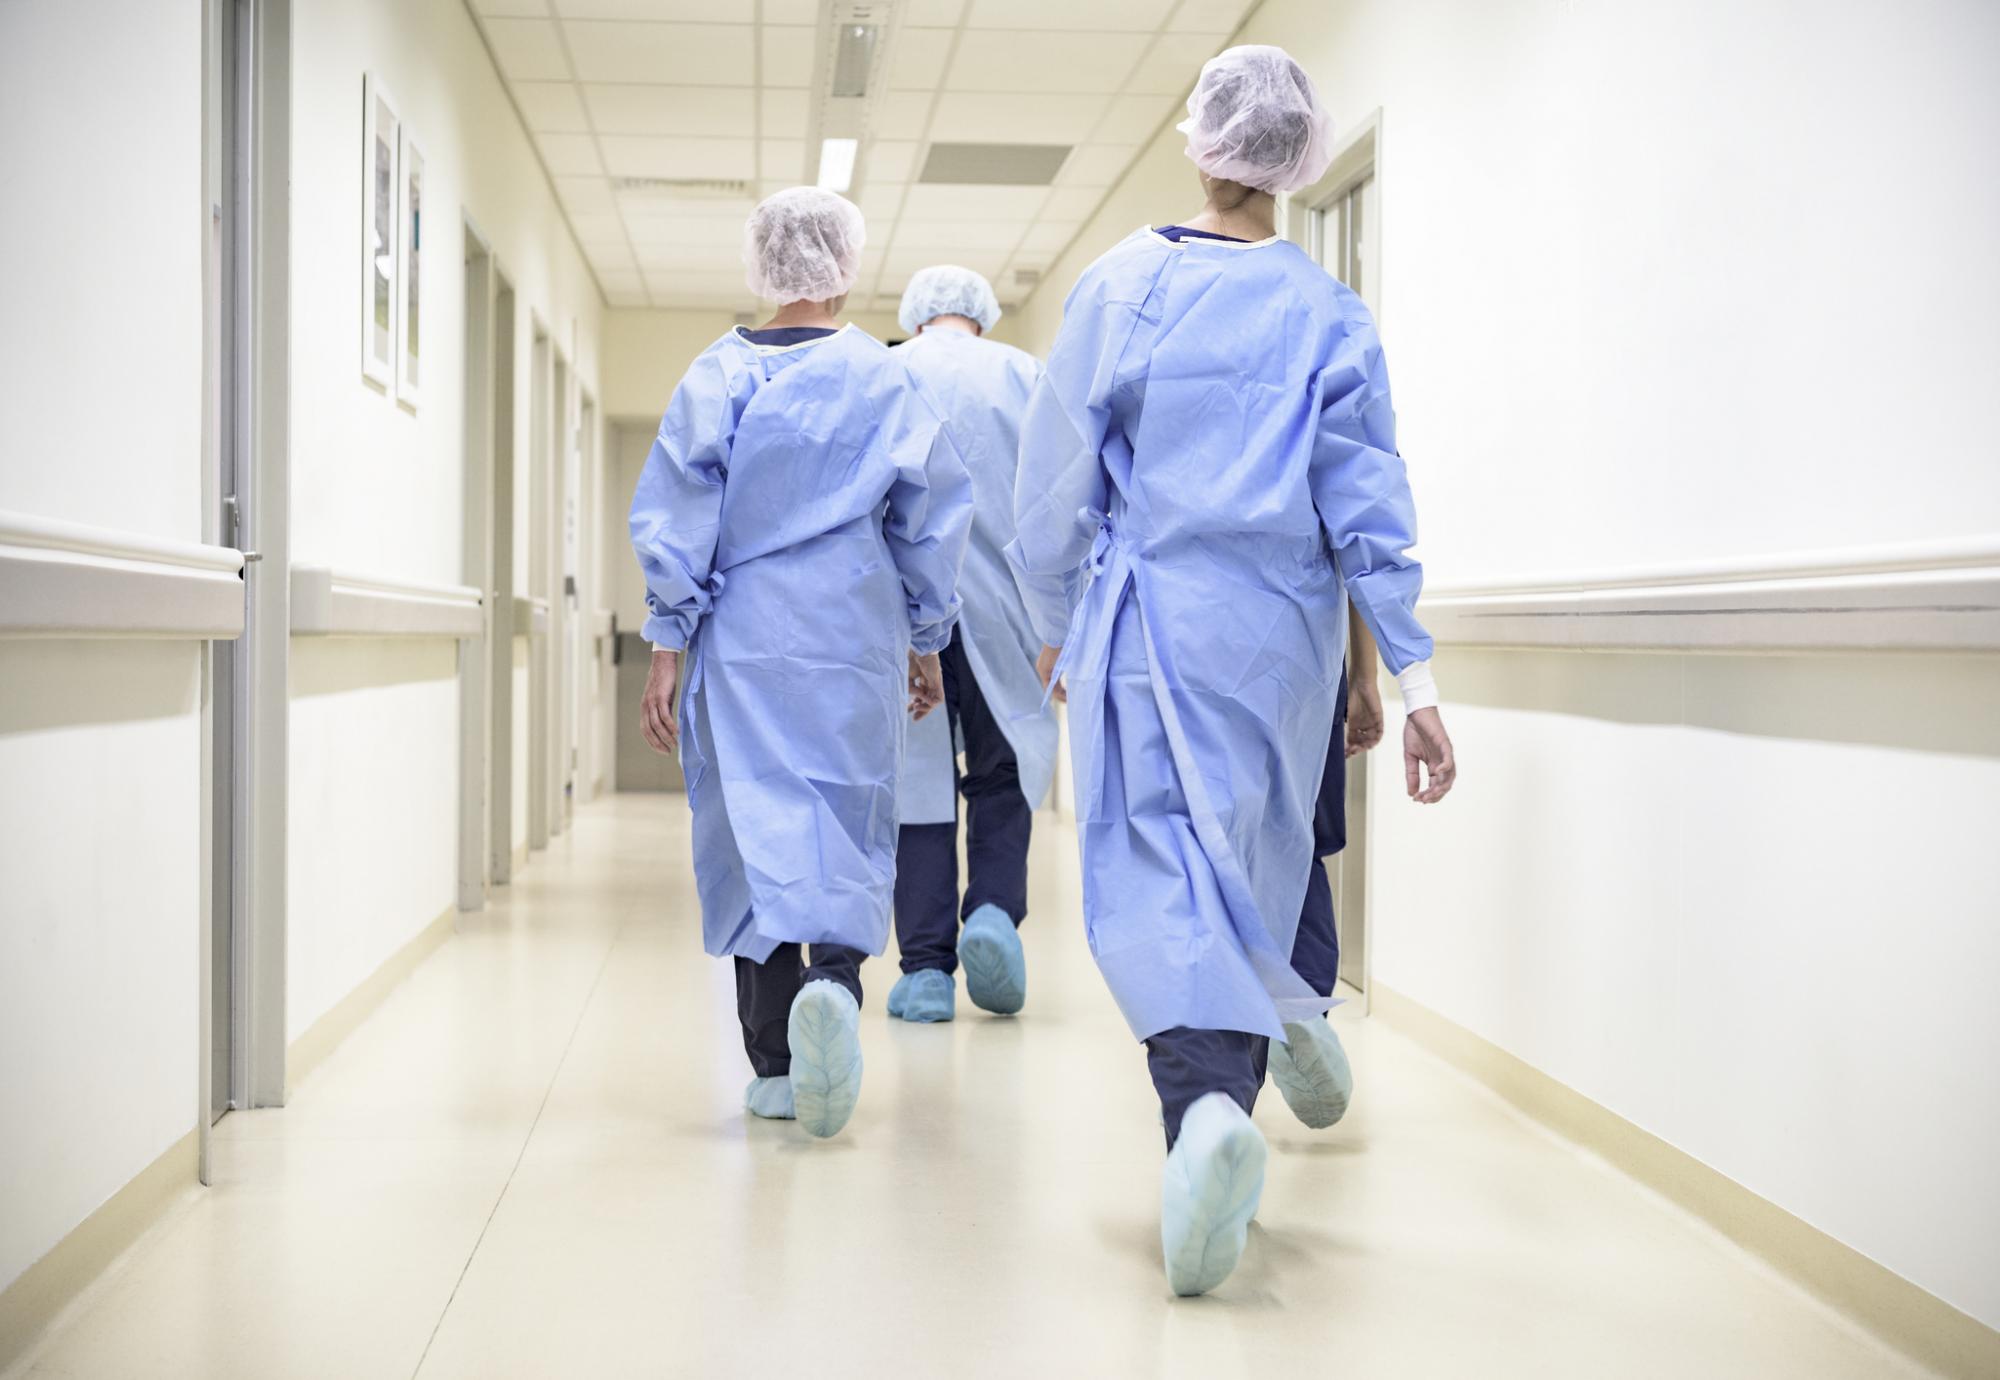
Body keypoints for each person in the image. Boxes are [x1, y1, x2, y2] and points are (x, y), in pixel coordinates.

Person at [1009, 46, 1458, 1295]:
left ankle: (1202, 1116)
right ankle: (1253, 1072)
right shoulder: (1327, 315)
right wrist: (1409, 686)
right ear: (1299, 163)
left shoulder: (1118, 290)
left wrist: (1049, 618)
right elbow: (1365, 512)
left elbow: (1050, 483)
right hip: (1284, 655)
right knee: (1256, 878)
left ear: (1198, 144)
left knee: (1158, 878)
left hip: (1149, 635)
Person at [629, 187, 972, 1139]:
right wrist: (928, 639)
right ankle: (835, 978)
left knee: (753, 830)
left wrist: (666, 653)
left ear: (762, 265)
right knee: (846, 810)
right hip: (851, 631)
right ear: (846, 267)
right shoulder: (884, 376)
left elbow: (676, 522)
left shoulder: (716, 376)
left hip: (741, 636)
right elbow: (931, 520)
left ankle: (777, 1063)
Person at [883, 266, 1060, 1024]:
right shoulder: (1027, 376)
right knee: (1001, 771)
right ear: (981, 318)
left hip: (900, 620)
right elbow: (1065, 501)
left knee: (916, 787)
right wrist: (1062, 625)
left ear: (917, 317)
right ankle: (991, 911)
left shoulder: (883, 373)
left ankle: (925, 970)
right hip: (1008, 617)